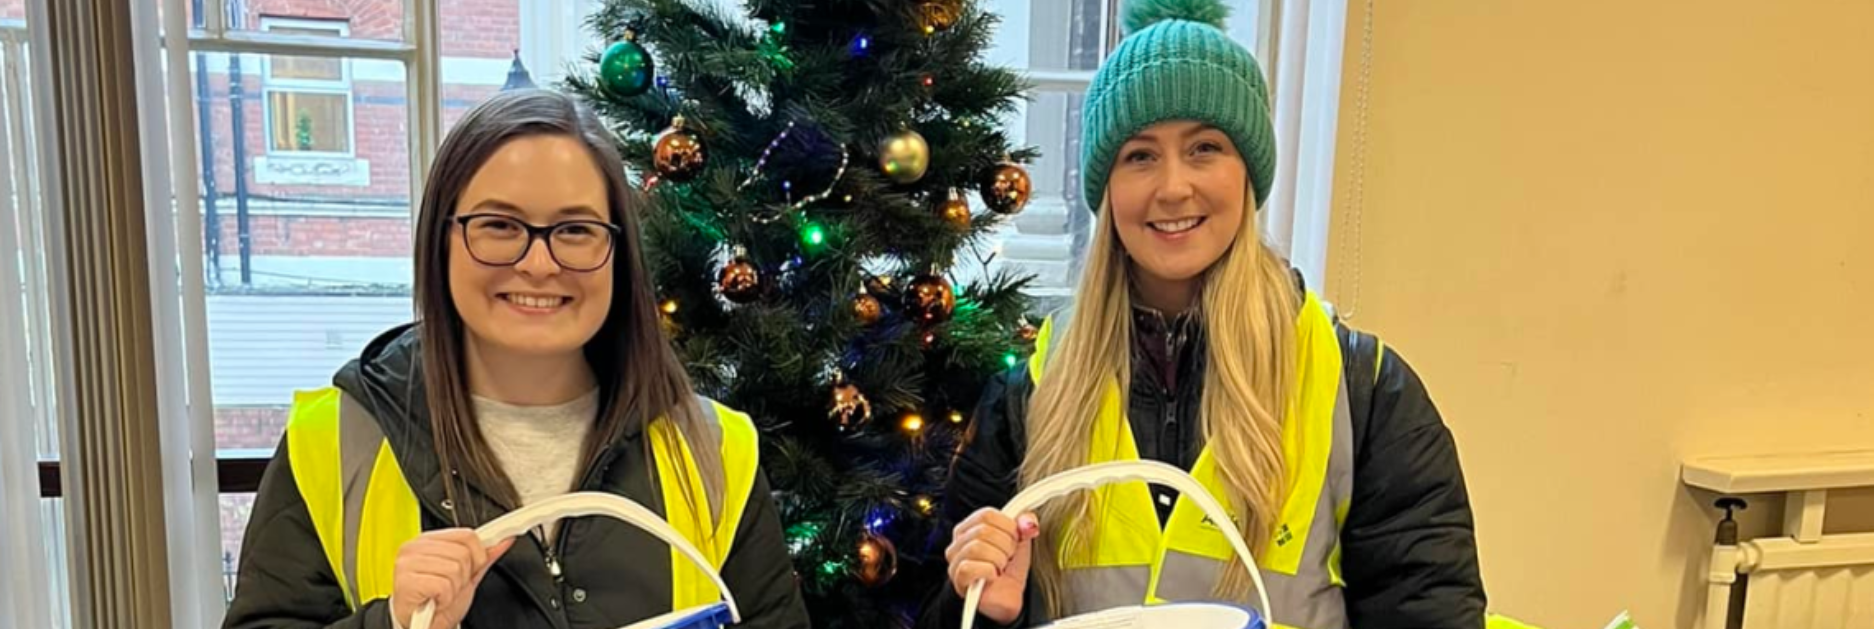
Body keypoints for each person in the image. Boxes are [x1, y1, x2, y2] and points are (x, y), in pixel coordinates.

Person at [926, 1, 1486, 628]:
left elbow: (1430, 612)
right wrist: (985, 611)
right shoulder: (1028, 396)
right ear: (1107, 187)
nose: (1172, 188)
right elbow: (951, 614)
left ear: (1249, 172)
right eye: (1140, 156)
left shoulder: (1364, 391)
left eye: (1204, 148)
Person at [224, 90, 810, 629]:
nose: (538, 264)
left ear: (618, 250)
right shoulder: (334, 445)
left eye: (575, 229)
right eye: (499, 225)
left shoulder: (715, 451)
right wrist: (394, 623)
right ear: (442, 240)